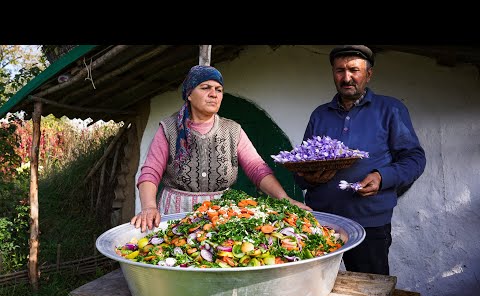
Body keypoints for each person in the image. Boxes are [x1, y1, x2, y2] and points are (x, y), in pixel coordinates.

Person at [294, 45, 426, 276]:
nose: (346, 78)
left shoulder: (390, 110)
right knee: (317, 287)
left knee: (370, 289)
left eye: (354, 70)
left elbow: (414, 159)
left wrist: (382, 177)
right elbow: (303, 164)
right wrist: (308, 177)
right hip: (322, 221)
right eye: (339, 70)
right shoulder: (320, 114)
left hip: (370, 222)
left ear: (368, 74)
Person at [131, 64, 311, 232]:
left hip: (220, 216)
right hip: (176, 213)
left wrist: (285, 199)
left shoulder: (232, 130)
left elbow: (257, 169)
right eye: (205, 88)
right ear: (189, 94)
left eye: (218, 90)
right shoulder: (169, 129)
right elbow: (150, 172)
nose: (213, 94)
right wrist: (148, 207)